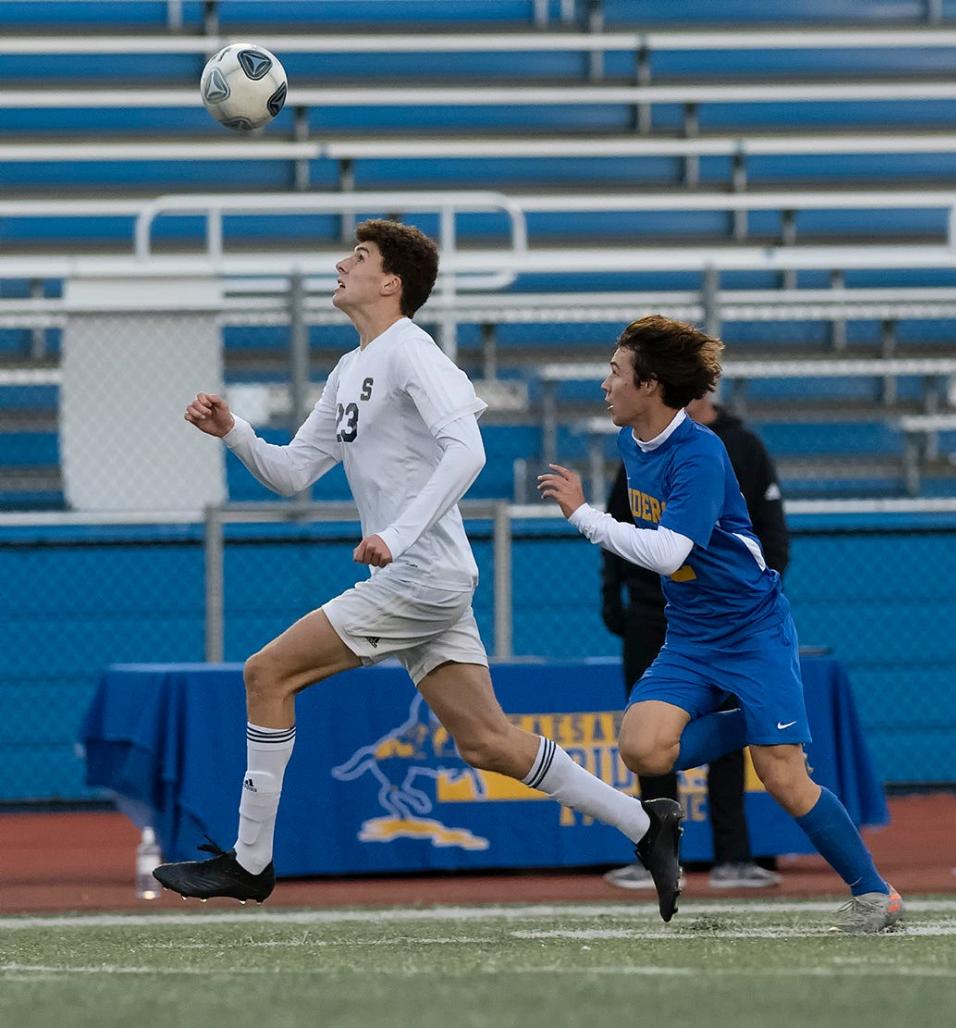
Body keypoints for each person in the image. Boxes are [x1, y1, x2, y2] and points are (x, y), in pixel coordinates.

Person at [153, 220, 683, 923]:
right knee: (487, 741)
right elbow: (291, 473)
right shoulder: (351, 369)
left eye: (359, 258)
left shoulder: (413, 353)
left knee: (266, 673)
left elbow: (467, 453)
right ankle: (648, 825)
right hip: (422, 577)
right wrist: (236, 433)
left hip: (418, 576)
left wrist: (397, 536)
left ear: (391, 282)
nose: (342, 265)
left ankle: (250, 863)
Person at [538, 314, 902, 933]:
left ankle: (875, 894)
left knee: (784, 777)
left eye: (615, 371)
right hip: (691, 635)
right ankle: (753, 725)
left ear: (649, 385)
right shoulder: (632, 445)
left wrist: (583, 516)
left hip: (751, 631)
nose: (604, 383)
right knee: (641, 746)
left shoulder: (701, 453)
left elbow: (670, 552)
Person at [601, 393, 789, 891]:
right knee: (649, 730)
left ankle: (734, 855)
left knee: (723, 738)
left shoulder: (734, 446)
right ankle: (658, 855)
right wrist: (613, 595)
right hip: (654, 609)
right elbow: (622, 518)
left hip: (725, 617)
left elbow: (770, 531)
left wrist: (750, 602)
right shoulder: (639, 441)